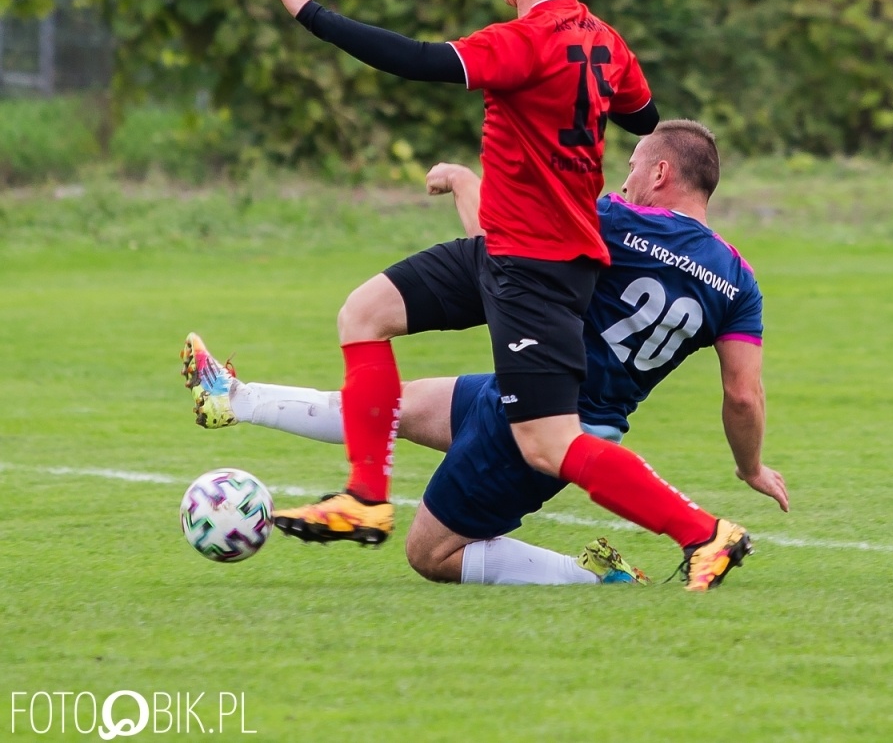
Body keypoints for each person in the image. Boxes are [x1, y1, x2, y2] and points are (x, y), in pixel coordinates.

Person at [247, 0, 750, 591]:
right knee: (364, 313)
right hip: (502, 249)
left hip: (542, 271)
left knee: (548, 444)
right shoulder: (606, 43)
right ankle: (364, 499)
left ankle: (704, 532)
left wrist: (309, 11)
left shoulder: (523, 42)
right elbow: (644, 115)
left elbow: (417, 59)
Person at [184, 122, 787, 587]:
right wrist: (751, 467)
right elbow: (743, 394)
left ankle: (596, 579)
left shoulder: (613, 222)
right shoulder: (739, 281)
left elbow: (501, 251)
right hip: (549, 398)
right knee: (394, 405)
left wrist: (463, 182)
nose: (623, 180)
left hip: (541, 417)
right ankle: (232, 399)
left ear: (660, 172)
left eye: (631, 168)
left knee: (430, 554)